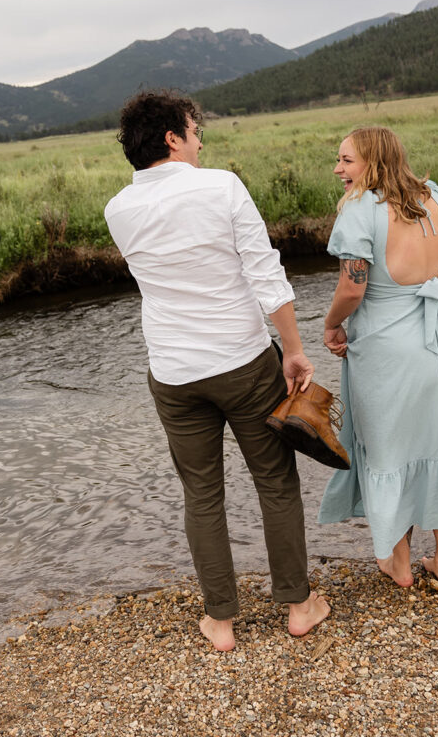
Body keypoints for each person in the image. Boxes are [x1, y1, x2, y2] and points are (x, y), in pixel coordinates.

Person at [104, 89, 329, 651]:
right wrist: (294, 348)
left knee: (201, 493)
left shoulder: (117, 210)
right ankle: (298, 607)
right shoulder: (222, 185)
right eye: (194, 131)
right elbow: (264, 273)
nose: (201, 141)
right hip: (241, 360)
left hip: (173, 372)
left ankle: (221, 622)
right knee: (274, 480)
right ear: (172, 139)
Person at [318, 126, 438, 589]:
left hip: (389, 348)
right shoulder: (435, 197)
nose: (338, 170)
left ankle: (399, 564)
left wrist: (330, 324)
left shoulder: (360, 209)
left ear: (373, 162)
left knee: (389, 450)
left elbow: (352, 287)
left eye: (346, 161)